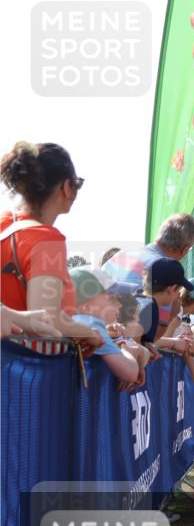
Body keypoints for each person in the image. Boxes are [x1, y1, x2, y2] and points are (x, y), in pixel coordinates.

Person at [1, 141, 104, 351]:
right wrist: (89, 333)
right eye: (77, 184)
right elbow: (47, 319)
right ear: (66, 187)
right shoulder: (46, 239)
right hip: (26, 365)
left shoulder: (4, 225)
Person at [69, 266, 141, 384]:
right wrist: (127, 350)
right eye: (112, 298)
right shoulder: (91, 323)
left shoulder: (75, 321)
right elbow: (130, 373)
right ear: (87, 307)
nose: (119, 305)